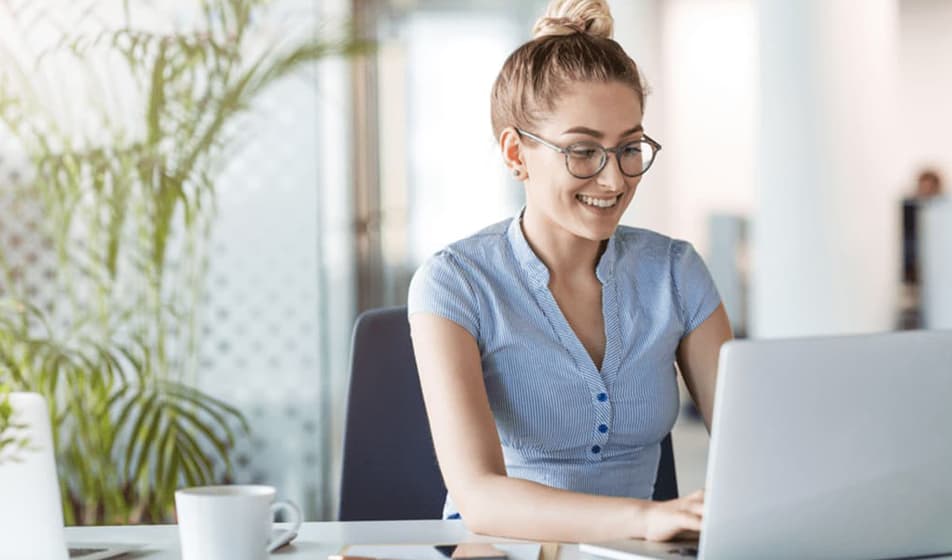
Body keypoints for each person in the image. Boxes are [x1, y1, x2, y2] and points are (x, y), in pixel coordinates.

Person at [407, 0, 732, 544]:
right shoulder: (455, 281)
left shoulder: (676, 273)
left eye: (629, 148)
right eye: (583, 151)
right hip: (502, 552)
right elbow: (479, 496)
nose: (613, 180)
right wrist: (647, 519)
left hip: (637, 555)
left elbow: (753, 452)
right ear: (516, 153)